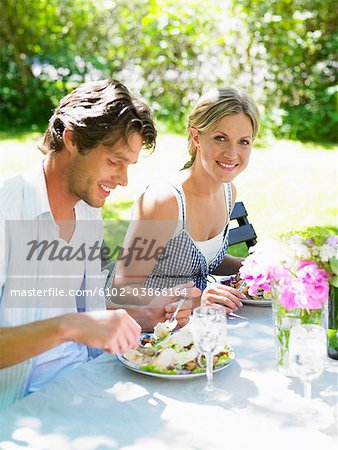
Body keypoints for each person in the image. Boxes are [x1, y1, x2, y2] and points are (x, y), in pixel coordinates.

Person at [0, 79, 197, 409]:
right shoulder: (8, 211)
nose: (123, 180)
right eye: (114, 161)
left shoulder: (87, 213)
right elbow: (73, 322)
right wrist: (71, 328)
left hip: (86, 382)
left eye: (128, 165)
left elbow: (83, 312)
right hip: (20, 408)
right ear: (72, 139)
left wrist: (145, 315)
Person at [113, 87, 260, 313]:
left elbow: (204, 260)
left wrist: (258, 268)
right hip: (149, 336)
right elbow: (122, 289)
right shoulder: (164, 201)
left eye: (243, 142)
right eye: (220, 138)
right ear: (196, 137)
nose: (232, 153)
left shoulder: (228, 192)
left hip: (199, 331)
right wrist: (195, 300)